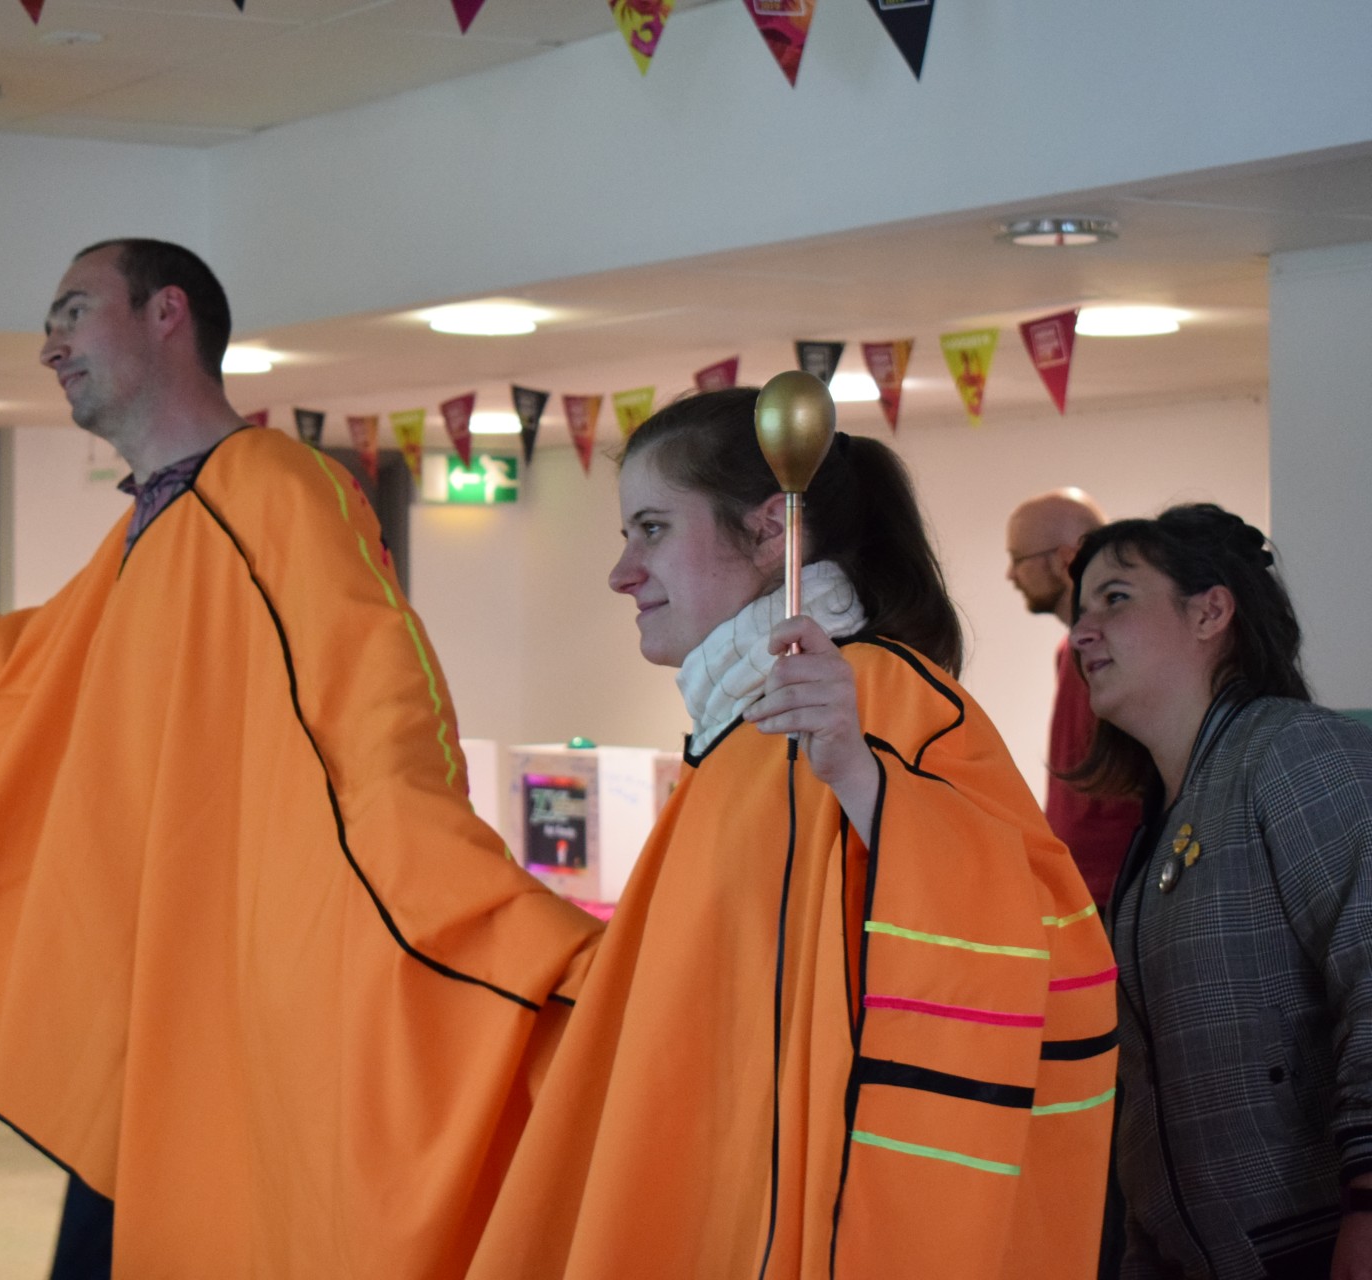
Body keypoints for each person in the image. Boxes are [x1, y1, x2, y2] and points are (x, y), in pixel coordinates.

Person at [0, 241, 603, 1275]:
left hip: (242, 997)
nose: (49, 346)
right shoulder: (154, 518)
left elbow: (382, 723)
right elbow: (19, 672)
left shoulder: (272, 487)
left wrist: (493, 926)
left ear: (167, 312)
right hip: (157, 997)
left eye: (73, 313)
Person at [465, 390, 1118, 1276]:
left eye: (651, 528)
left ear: (775, 527)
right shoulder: (745, 722)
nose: (623, 571)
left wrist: (865, 780)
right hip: (722, 1188)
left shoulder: (878, 695)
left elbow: (1047, 924)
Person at [1068, 503, 1372, 1279]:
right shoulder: (1157, 831)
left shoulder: (1297, 752)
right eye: (1080, 610)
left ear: (1210, 612)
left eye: (1116, 598)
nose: (1081, 633)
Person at [1007, 489, 1143, 909]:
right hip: (1079, 892)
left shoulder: (1124, 654)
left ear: (1066, 558)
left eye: (1018, 559)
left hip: (1121, 892)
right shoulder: (1069, 654)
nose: (1010, 575)